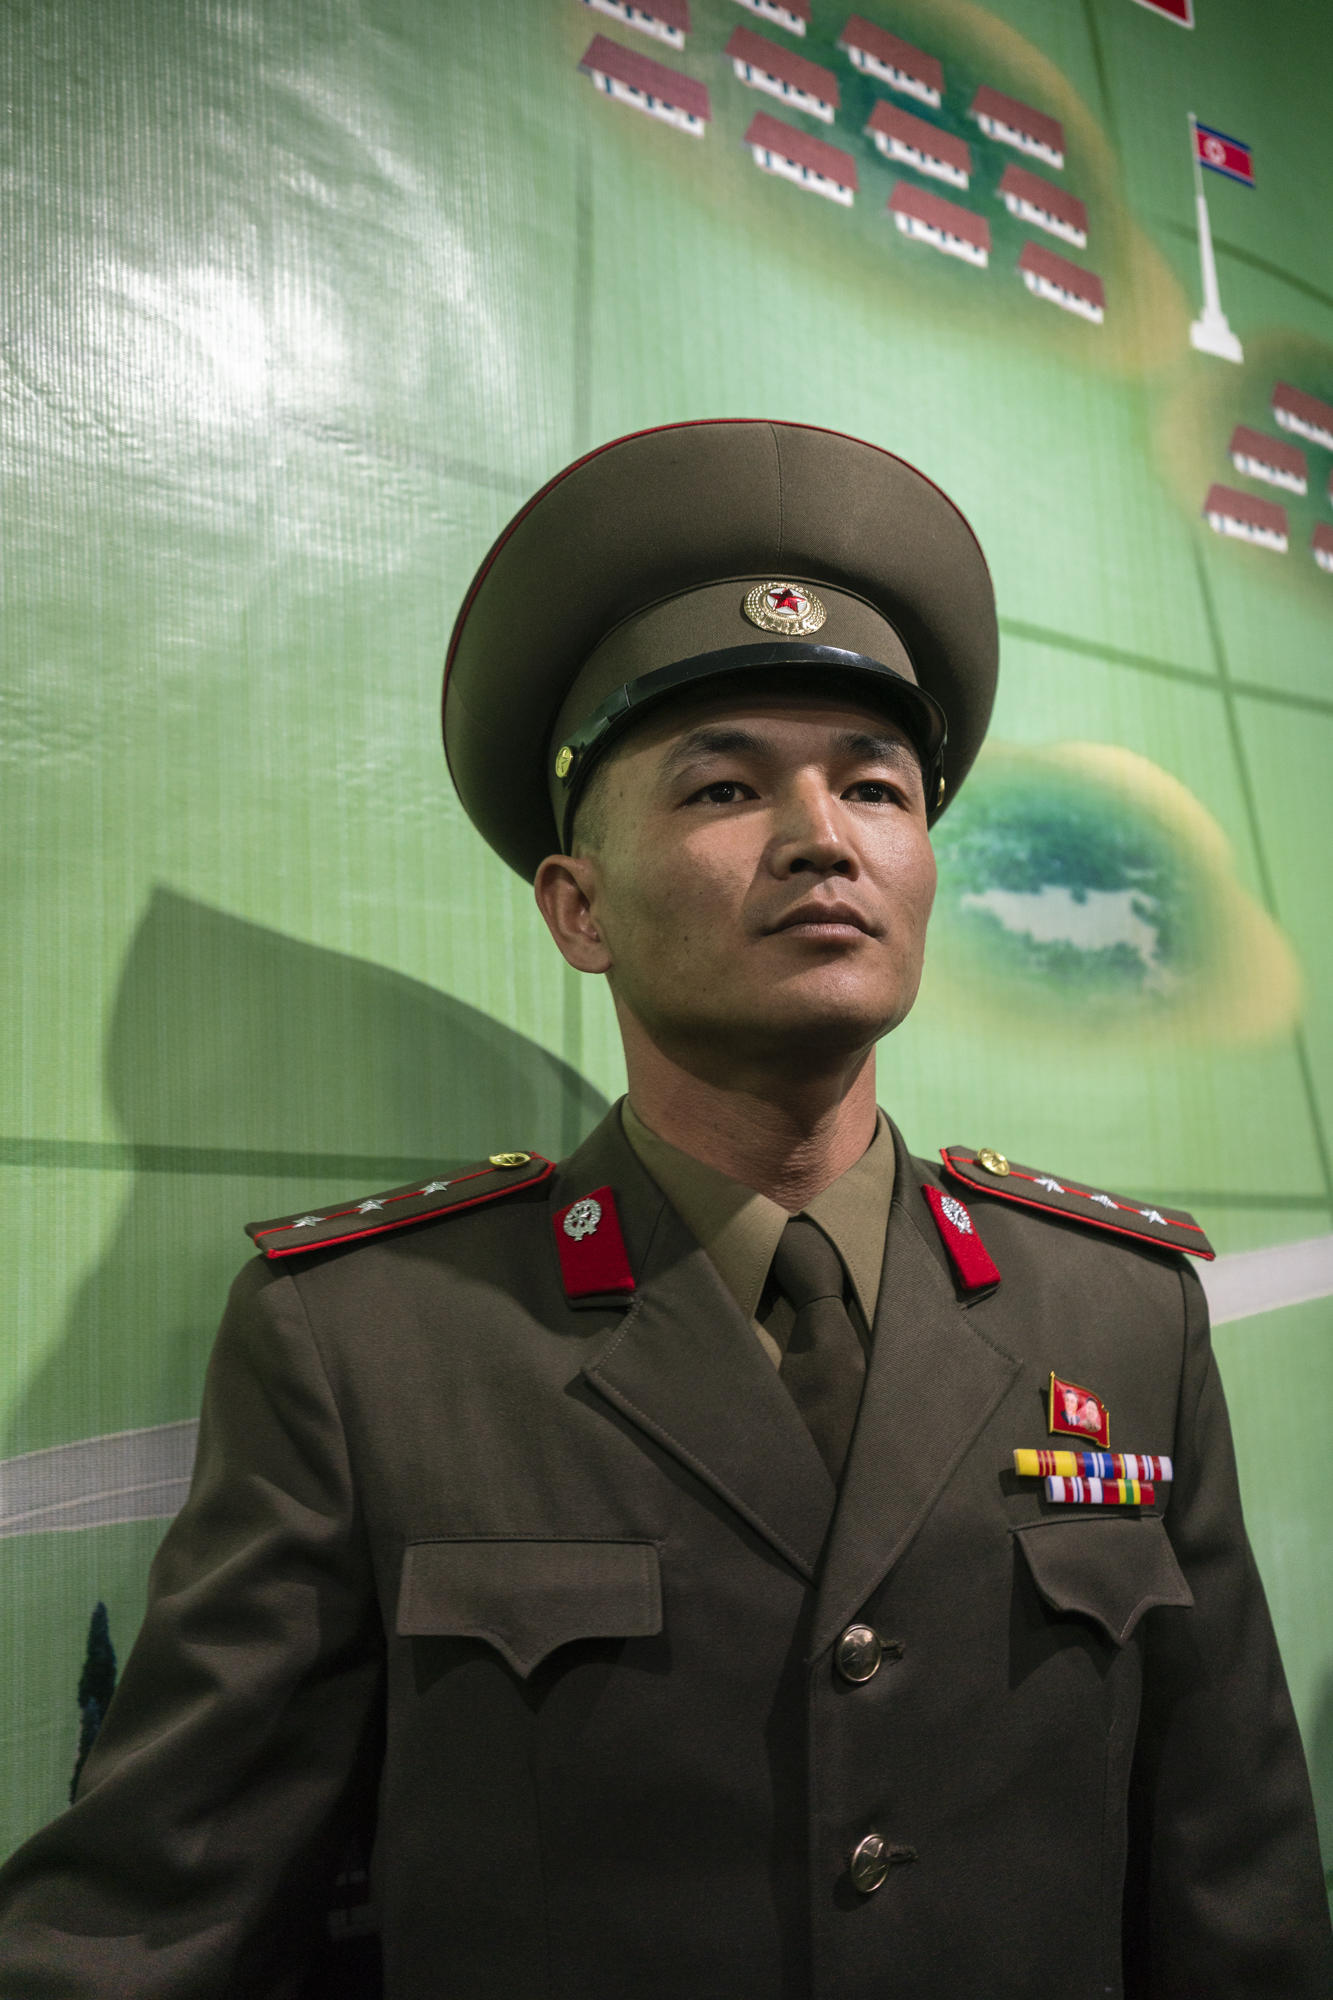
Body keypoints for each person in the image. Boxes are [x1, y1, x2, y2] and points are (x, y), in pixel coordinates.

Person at [0, 420, 1328, 1998]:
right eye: (721, 785)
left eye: (876, 788)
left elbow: (1233, 1887)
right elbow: (157, 1924)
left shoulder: (1118, 1309)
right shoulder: (368, 1342)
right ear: (579, 907)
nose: (821, 838)